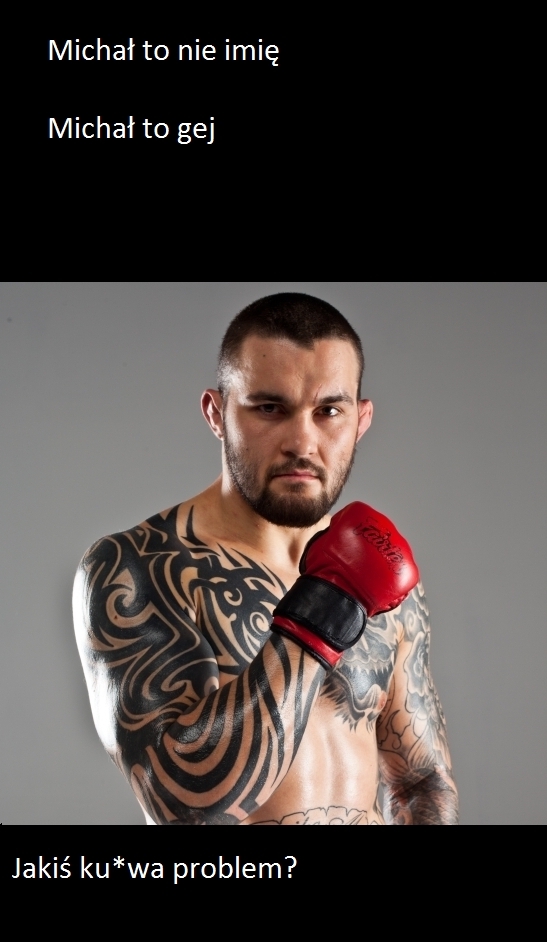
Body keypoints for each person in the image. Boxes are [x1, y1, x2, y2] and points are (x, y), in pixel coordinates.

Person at [73, 292, 458, 825]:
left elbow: (421, 782)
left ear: (361, 420)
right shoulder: (143, 566)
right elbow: (183, 803)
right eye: (270, 408)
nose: (302, 442)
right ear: (217, 413)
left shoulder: (384, 575)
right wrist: (327, 607)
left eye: (329, 411)